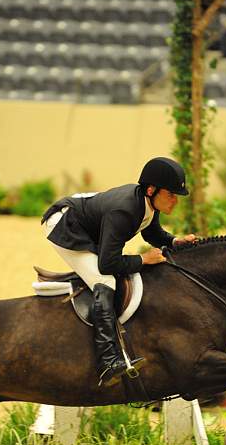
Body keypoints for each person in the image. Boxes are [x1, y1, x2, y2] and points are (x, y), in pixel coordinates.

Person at [41, 157, 196, 386]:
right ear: (152, 190)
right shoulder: (125, 210)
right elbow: (108, 264)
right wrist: (143, 259)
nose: (175, 201)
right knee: (105, 280)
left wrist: (174, 241)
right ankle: (108, 362)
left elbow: (151, 233)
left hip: (82, 221)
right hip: (65, 225)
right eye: (171, 194)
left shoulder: (148, 203)